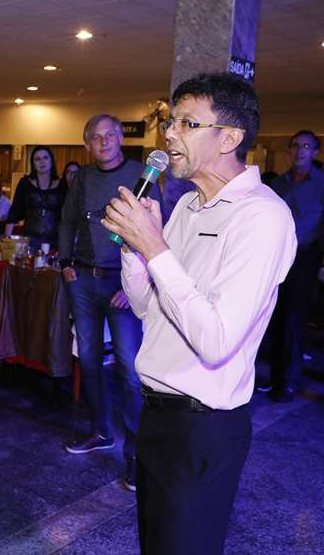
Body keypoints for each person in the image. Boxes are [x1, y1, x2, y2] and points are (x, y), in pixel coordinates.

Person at [101, 73, 296, 555]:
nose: (169, 135)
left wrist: (155, 245)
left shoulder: (261, 217)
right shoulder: (187, 205)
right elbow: (150, 308)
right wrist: (135, 250)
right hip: (156, 414)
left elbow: (215, 338)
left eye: (187, 123)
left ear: (230, 138)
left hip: (201, 427)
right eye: (171, 121)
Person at [59, 116, 162, 492]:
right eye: (95, 137)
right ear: (87, 143)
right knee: (87, 360)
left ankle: (136, 454)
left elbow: (155, 233)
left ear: (121, 138)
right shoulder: (83, 178)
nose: (103, 142)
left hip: (124, 287)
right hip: (83, 281)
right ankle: (101, 431)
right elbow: (68, 221)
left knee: (130, 371)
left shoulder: (143, 175)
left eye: (109, 135)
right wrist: (65, 263)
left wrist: (138, 281)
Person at [261, 130, 324, 402]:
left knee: (294, 321)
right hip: (275, 260)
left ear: (315, 152)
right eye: (296, 145)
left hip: (304, 260)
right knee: (273, 317)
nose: (301, 150)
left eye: (307, 146)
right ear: (290, 149)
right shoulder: (279, 184)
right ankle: (276, 379)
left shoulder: (321, 184)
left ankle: (289, 382)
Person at [5, 146, 61, 248]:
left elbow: (69, 216)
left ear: (52, 161)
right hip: (29, 241)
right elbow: (14, 211)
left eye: (45, 158)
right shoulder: (25, 183)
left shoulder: (62, 184)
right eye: (37, 159)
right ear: (33, 163)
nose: (42, 162)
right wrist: (7, 239)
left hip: (56, 242)